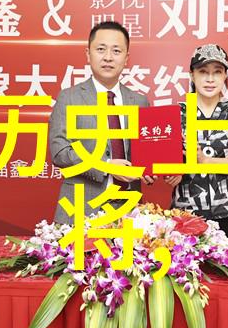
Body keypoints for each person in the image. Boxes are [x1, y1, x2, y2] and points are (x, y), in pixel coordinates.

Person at [49, 21, 152, 225]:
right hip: (79, 210)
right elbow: (59, 151)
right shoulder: (69, 97)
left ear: (126, 58)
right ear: (88, 54)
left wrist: (151, 169)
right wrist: (105, 166)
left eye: (116, 51)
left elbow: (146, 153)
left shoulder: (140, 102)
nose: (108, 57)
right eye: (101, 49)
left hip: (128, 213)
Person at [165, 44, 228, 239]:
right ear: (192, 75)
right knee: (187, 258)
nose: (210, 79)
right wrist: (172, 172)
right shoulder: (177, 113)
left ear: (225, 76)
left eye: (217, 72)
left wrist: (205, 161)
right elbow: (167, 162)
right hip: (186, 211)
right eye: (203, 71)